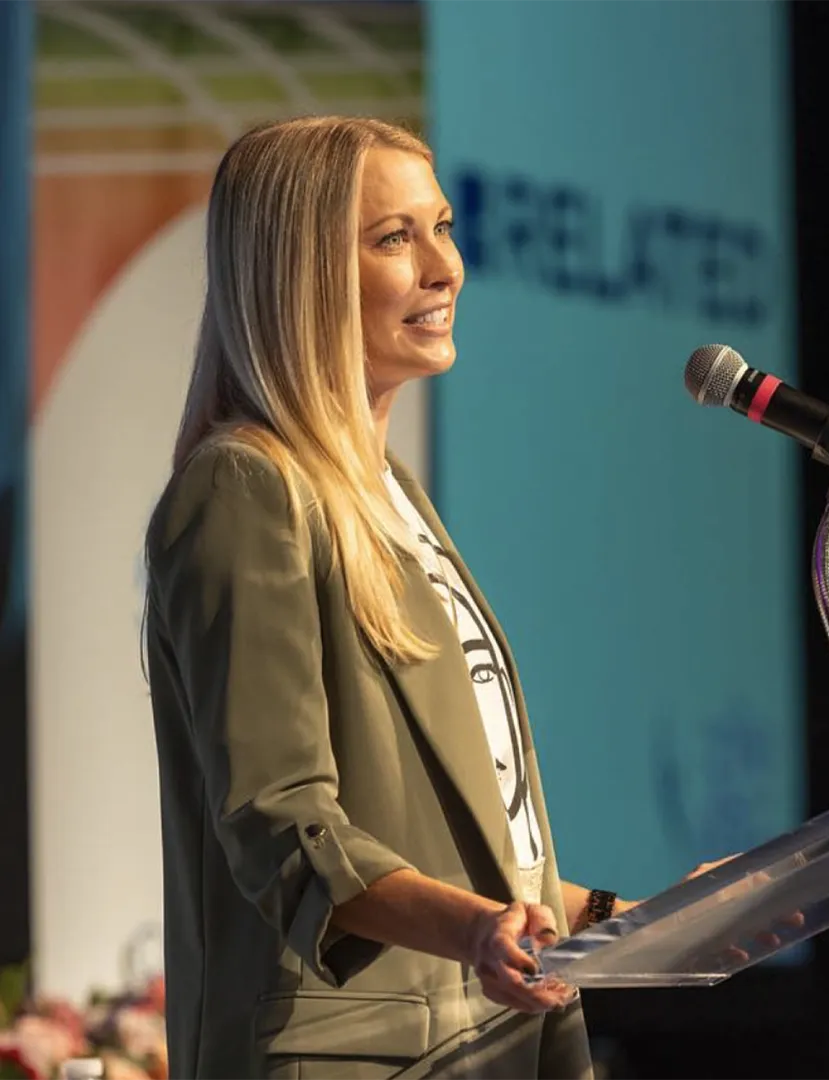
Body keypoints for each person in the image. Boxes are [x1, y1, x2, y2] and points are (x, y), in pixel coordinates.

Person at [144, 115, 640, 1080]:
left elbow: (468, 852)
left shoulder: (397, 497)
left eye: (443, 227)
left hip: (488, 1045)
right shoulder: (246, 488)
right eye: (393, 238)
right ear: (299, 273)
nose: (445, 267)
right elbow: (284, 827)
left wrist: (636, 922)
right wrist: (478, 933)